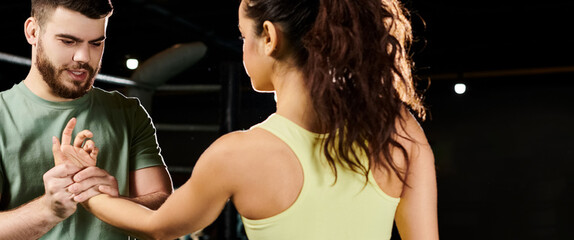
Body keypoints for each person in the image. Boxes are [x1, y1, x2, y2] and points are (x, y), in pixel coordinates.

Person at [67, 0, 439, 239]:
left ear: (269, 37)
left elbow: (158, 226)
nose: (242, 46)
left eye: (243, 35)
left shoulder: (238, 154)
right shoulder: (399, 130)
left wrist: (88, 192)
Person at [0, 0, 173, 239]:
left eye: (96, 43)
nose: (83, 57)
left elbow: (166, 211)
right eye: (68, 41)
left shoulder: (128, 113)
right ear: (33, 32)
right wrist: (48, 210)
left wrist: (112, 204)